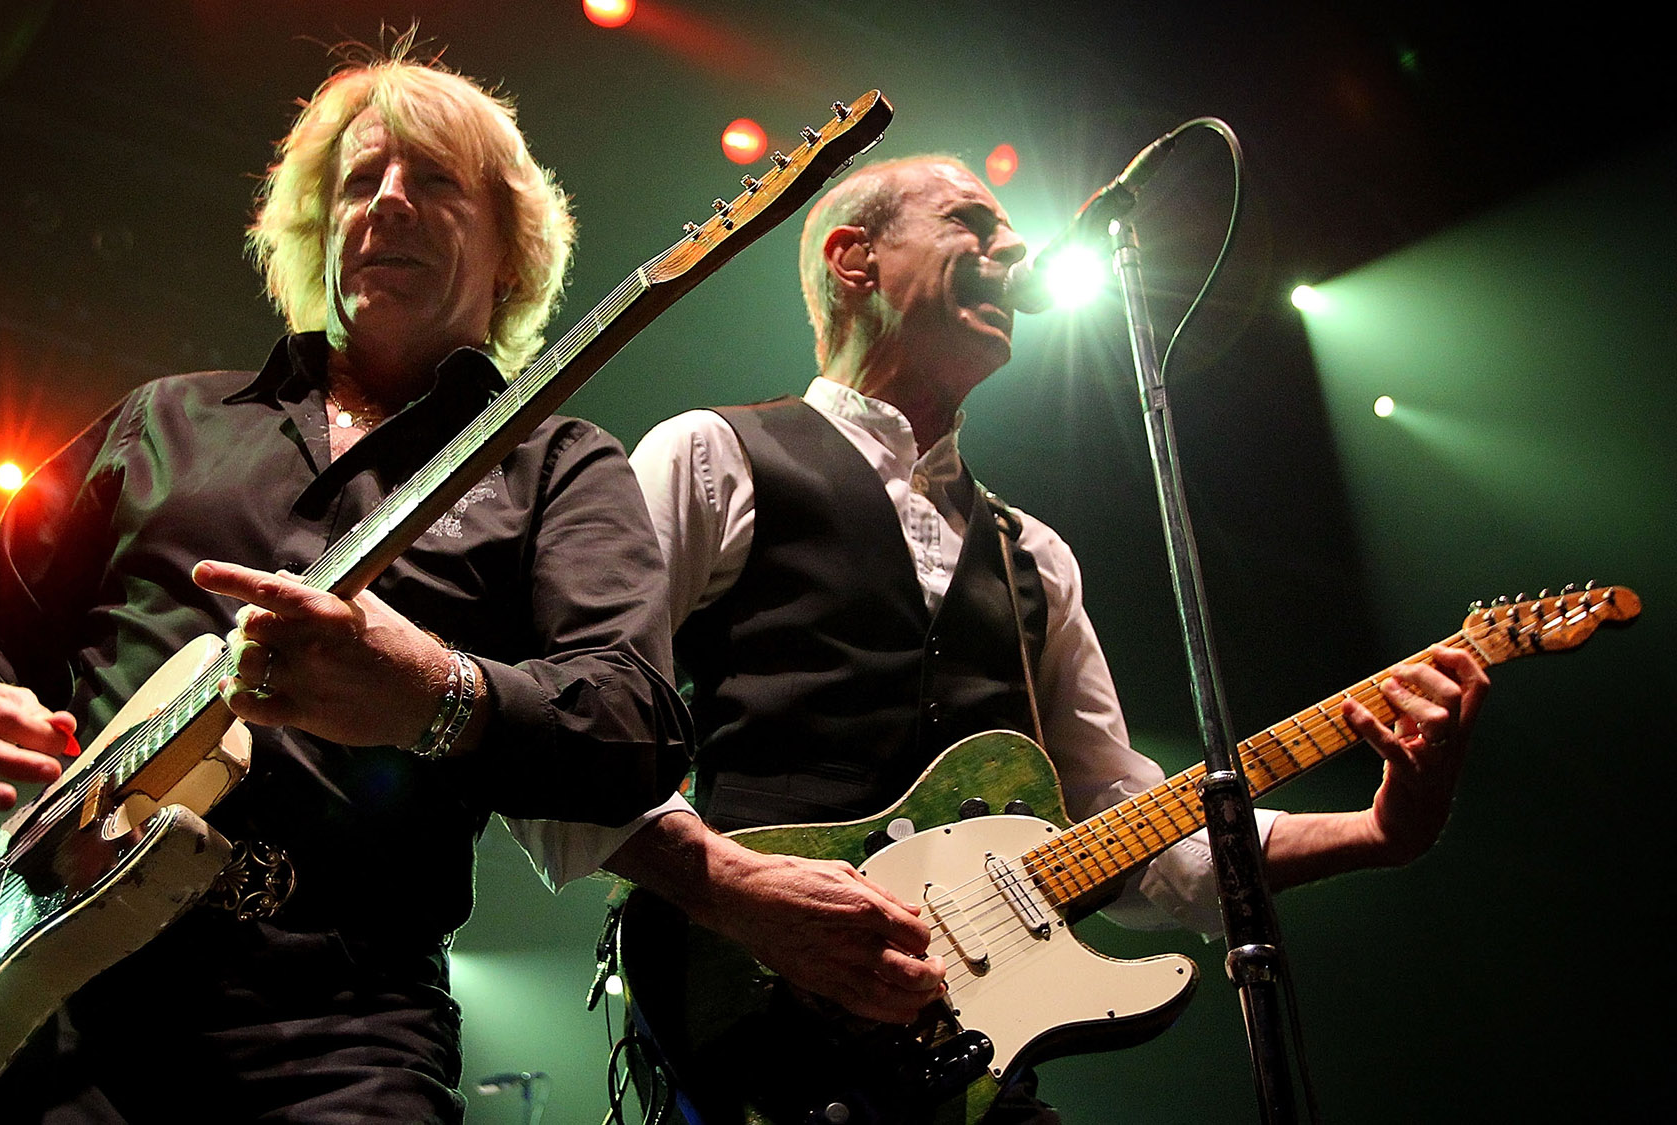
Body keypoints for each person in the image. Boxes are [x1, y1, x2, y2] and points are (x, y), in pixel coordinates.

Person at [518, 154, 1487, 1121]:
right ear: (855, 260)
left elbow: (1137, 827)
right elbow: (576, 731)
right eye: (972, 226)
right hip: (759, 1042)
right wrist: (740, 893)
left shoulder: (1038, 558)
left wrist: (1379, 831)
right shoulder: (712, 456)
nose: (1015, 250)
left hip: (963, 1065)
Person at [0, 51, 689, 1123]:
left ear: (512, 251)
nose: (389, 201)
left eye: (434, 180)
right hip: (49, 991)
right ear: (315, 231)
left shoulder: (559, 462)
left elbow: (635, 724)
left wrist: (440, 695)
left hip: (345, 1023)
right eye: (359, 181)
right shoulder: (162, 421)